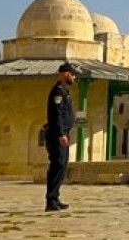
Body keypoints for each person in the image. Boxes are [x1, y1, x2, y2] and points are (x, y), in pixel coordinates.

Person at [44, 61, 79, 212]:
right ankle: (50, 200)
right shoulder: (58, 91)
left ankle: (55, 197)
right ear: (66, 74)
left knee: (62, 167)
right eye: (73, 74)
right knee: (57, 166)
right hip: (58, 135)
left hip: (63, 134)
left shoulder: (65, 90)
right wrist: (60, 134)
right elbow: (56, 115)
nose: (74, 78)